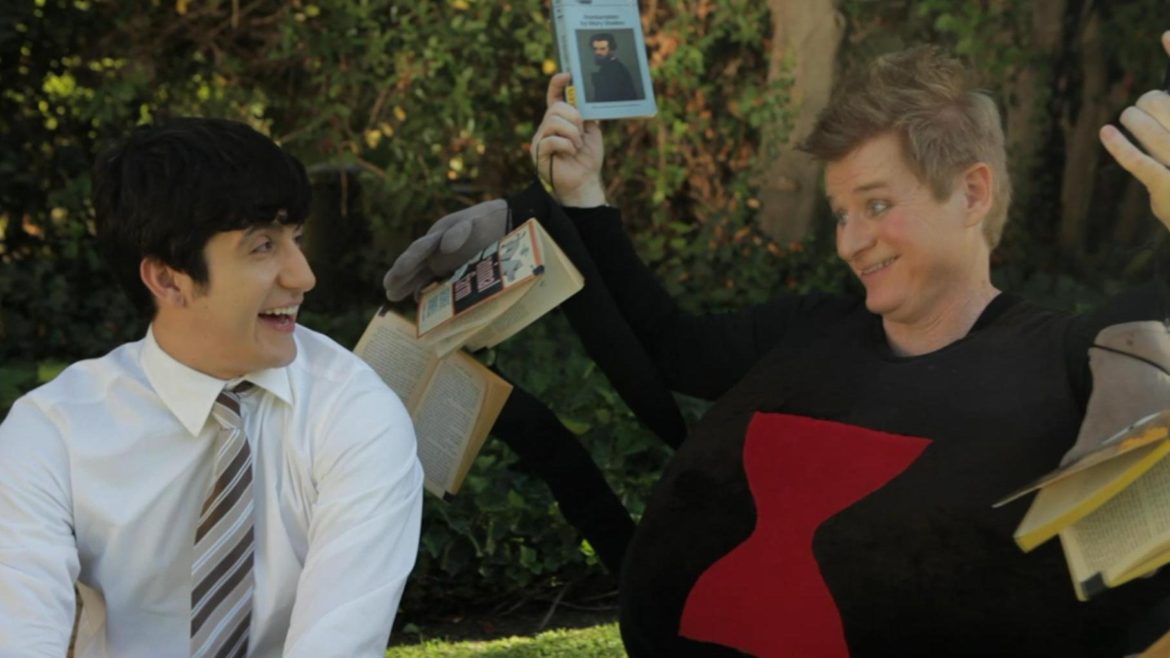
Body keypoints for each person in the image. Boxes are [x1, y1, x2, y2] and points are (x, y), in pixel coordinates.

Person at [390, 34, 1170, 657]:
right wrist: (580, 194)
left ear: (971, 193)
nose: (852, 241)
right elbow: (668, 350)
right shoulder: (814, 327)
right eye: (841, 213)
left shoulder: (1067, 365)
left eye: (876, 205)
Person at [0, 118, 424, 658]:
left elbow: (339, 643)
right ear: (168, 279)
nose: (302, 277)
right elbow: (19, 629)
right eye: (263, 246)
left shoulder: (354, 413)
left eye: (295, 239)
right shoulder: (53, 432)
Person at [588, 33, 640, 103]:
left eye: (602, 49)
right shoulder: (606, 68)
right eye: (595, 49)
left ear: (611, 50)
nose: (597, 52)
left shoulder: (617, 70)